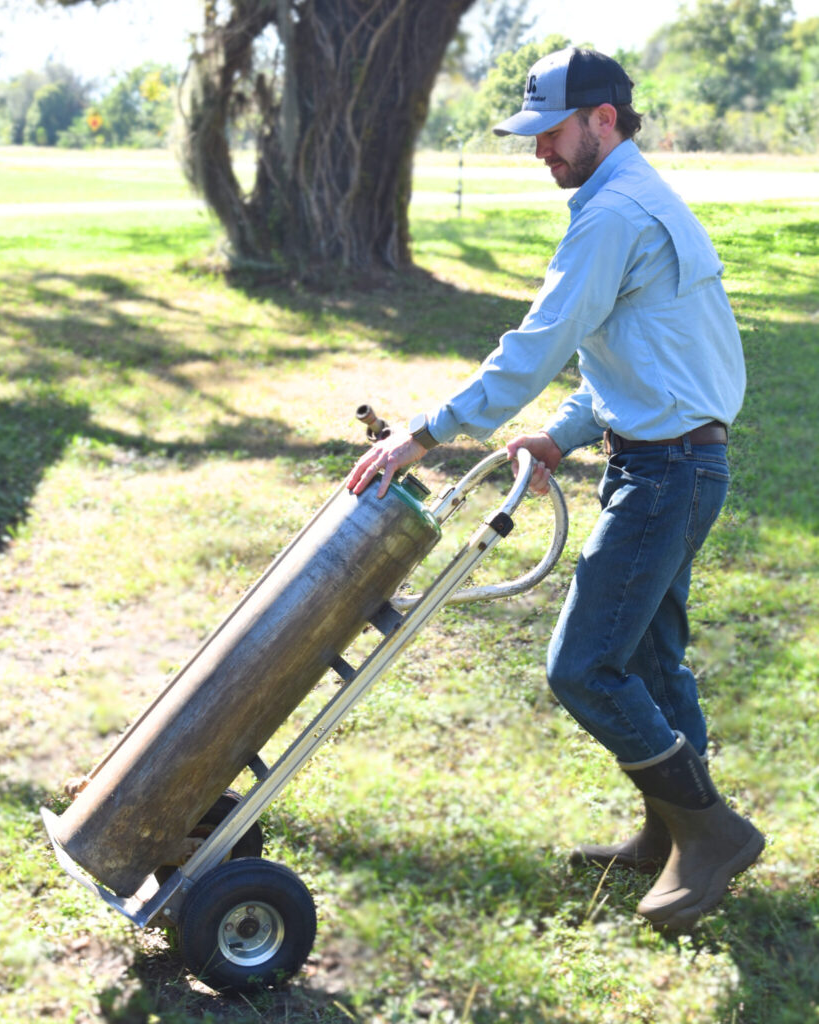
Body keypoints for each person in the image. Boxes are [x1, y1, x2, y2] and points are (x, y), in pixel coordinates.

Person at [345, 46, 764, 933]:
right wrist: (564, 432)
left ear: (602, 119)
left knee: (582, 665)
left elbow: (534, 348)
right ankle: (669, 835)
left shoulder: (612, 213)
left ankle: (709, 833)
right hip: (675, 462)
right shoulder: (637, 199)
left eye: (550, 131)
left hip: (666, 474)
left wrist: (424, 433)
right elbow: (638, 355)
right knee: (648, 660)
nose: (539, 150)